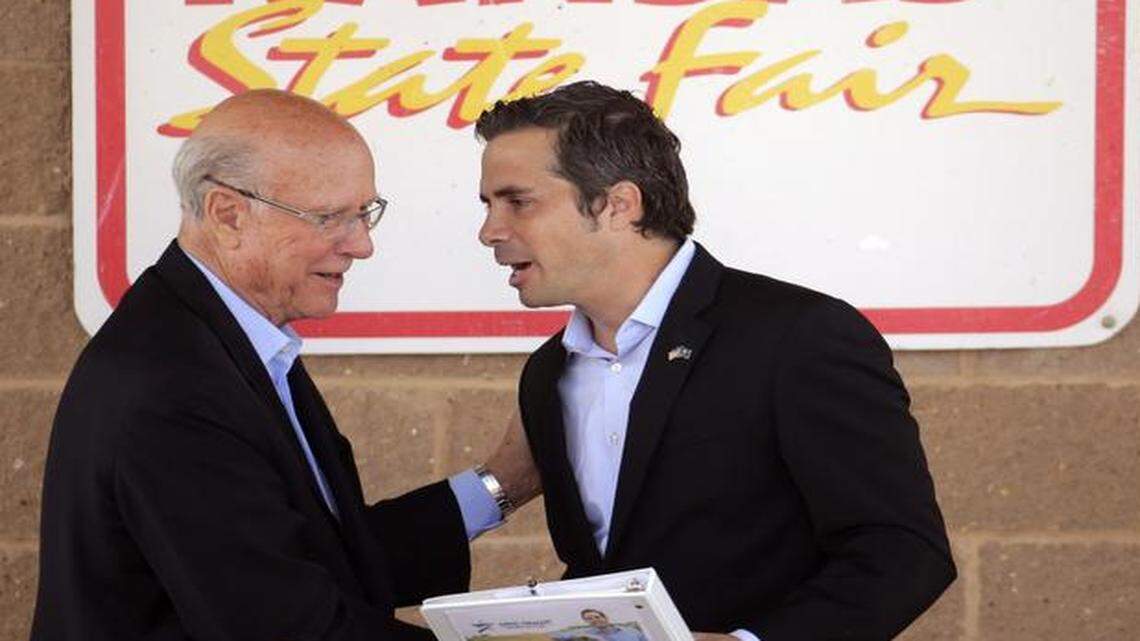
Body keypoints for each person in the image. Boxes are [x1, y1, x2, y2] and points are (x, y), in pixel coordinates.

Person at [32, 89, 539, 641]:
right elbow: (288, 624)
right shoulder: (172, 385)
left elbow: (325, 556)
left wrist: (502, 483)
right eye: (330, 218)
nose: (362, 245)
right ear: (228, 214)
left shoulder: (229, 339)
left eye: (365, 213)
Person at [474, 81, 955, 641]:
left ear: (618, 204)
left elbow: (903, 552)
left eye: (518, 201)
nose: (490, 231)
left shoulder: (800, 336)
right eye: (487, 205)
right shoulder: (547, 373)